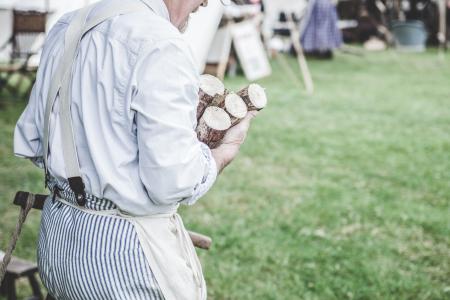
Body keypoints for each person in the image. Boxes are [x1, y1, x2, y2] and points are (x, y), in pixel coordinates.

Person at [13, 0, 257, 299]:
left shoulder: (68, 24)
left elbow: (36, 140)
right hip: (121, 258)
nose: (206, 2)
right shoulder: (161, 44)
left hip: (58, 241)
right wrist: (224, 151)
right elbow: (171, 183)